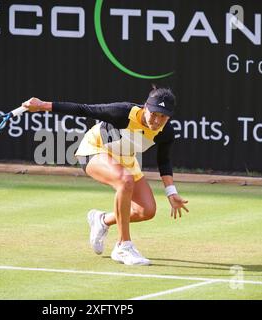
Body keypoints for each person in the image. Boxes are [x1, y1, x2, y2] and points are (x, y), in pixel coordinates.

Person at [22, 86, 189, 266]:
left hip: (126, 159)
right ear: (145, 107)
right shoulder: (122, 112)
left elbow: (164, 161)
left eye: (163, 116)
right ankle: (123, 246)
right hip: (94, 150)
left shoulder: (166, 132)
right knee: (125, 180)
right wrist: (41, 105)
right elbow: (83, 109)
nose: (157, 120)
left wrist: (171, 193)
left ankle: (102, 220)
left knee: (146, 211)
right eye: (154, 113)